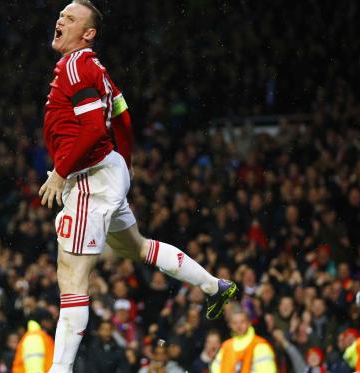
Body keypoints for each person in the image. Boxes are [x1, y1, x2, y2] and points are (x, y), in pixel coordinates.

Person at [37, 1, 238, 371]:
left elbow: (95, 129)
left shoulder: (76, 65)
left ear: (88, 34)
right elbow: (122, 116)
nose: (60, 20)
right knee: (137, 248)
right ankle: (214, 286)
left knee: (72, 276)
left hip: (88, 179)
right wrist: (122, 165)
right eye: (61, 15)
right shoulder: (97, 69)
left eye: (70, 18)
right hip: (108, 171)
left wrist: (61, 171)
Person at [210, 304, 277, 373]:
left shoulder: (260, 346)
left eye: (242, 322)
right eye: (235, 323)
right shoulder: (226, 346)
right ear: (230, 325)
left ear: (249, 323)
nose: (238, 326)